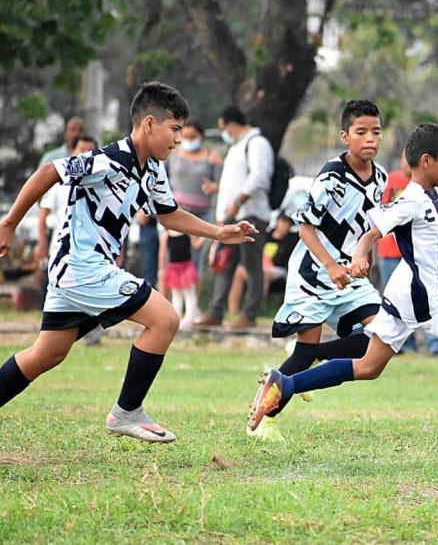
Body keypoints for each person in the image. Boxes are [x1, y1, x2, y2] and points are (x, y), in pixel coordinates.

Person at [248, 122, 438, 455]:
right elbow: (373, 231)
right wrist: (359, 255)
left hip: (405, 292)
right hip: (420, 297)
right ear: (426, 161)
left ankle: (285, 384)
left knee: (368, 367)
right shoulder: (411, 200)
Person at [0, 82, 257, 442]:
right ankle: (126, 412)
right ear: (150, 124)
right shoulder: (110, 160)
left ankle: (126, 411)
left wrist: (218, 232)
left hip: (77, 272)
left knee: (45, 355)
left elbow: (168, 214)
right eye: (175, 130)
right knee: (165, 319)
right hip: (82, 267)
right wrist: (9, 223)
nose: (179, 140)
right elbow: (48, 173)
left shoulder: (150, 169)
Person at [251, 100, 388, 441]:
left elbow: (370, 227)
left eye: (376, 132)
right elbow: (306, 229)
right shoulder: (331, 177)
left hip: (350, 276)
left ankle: (316, 357)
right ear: (345, 137)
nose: (370, 138)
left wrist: (363, 258)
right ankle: (264, 419)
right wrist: (330, 265)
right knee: (303, 352)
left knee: (382, 334)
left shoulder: (381, 178)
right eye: (361, 132)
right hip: (314, 272)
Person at [196, 107, 273, 329]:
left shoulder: (257, 143)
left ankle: (249, 314)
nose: (224, 133)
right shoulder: (236, 147)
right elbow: (232, 184)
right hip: (231, 217)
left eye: (223, 128)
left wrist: (237, 202)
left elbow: (259, 177)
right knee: (224, 264)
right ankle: (216, 312)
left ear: (231, 124)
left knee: (251, 265)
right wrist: (223, 214)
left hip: (251, 214)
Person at [36, 135, 99, 308]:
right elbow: (43, 215)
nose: (85, 155)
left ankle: (92, 332)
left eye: (90, 151)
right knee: (56, 299)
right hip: (62, 249)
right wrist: (41, 243)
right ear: (73, 152)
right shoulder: (60, 183)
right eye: (81, 150)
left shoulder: (103, 185)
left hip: (92, 252)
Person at [167, 119, 222, 272]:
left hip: (202, 213)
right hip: (177, 212)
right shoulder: (172, 153)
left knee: (198, 257)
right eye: (186, 136)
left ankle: (196, 292)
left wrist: (214, 187)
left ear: (201, 136)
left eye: (193, 136)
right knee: (174, 257)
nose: (189, 140)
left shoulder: (212, 156)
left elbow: (223, 184)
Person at [376, 149, 417, 352]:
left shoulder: (423, 185)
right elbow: (381, 211)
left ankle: (412, 344)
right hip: (388, 251)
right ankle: (396, 344)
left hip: (412, 254)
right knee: (391, 300)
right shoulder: (391, 180)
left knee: (414, 298)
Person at [159, 229, 203, 330]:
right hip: (174, 268)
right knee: (176, 295)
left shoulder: (187, 232)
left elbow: (196, 244)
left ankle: (189, 319)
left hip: (186, 267)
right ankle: (177, 319)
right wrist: (161, 270)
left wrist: (206, 236)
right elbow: (162, 254)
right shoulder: (166, 235)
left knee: (189, 294)